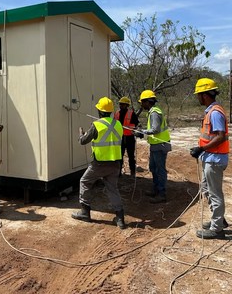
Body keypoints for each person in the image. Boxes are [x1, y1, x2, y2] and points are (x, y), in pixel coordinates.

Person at [72, 97, 126, 229]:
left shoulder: (96, 125)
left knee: (84, 181)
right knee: (112, 189)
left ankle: (85, 212)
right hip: (115, 164)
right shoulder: (118, 124)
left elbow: (83, 141)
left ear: (100, 112)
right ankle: (120, 219)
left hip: (100, 164)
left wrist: (80, 133)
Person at [190, 78, 229, 239]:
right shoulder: (211, 111)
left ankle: (217, 229)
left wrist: (201, 148)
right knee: (206, 189)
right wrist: (201, 149)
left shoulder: (215, 113)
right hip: (210, 157)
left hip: (215, 159)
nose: (198, 97)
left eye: (199, 94)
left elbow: (220, 137)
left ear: (205, 95)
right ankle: (219, 220)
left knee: (215, 193)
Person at [136, 90, 171, 204]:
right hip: (157, 145)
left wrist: (142, 132)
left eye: (142, 102)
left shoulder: (154, 112)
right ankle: (156, 190)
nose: (141, 105)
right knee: (153, 168)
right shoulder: (152, 112)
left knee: (160, 170)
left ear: (147, 102)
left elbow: (155, 130)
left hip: (160, 145)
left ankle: (162, 194)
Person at [114, 96, 140, 176]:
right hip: (120, 138)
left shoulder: (131, 114)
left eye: (123, 104)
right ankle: (118, 173)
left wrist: (133, 129)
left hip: (129, 138)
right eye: (120, 104)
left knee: (131, 156)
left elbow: (136, 124)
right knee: (119, 156)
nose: (121, 106)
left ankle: (132, 172)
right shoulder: (117, 113)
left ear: (127, 105)